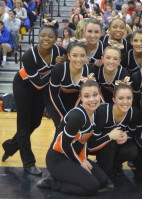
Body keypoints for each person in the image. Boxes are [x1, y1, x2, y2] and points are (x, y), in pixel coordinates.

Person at [1, 25, 67, 175]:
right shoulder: (29, 55)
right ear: (38, 37)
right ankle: (28, 163)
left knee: (36, 122)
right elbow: (38, 83)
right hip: (23, 86)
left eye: (50, 36)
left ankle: (11, 146)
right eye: (43, 35)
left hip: (41, 89)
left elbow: (68, 63)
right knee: (23, 124)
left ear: (56, 39)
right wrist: (56, 67)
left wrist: (64, 63)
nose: (46, 39)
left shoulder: (60, 52)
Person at [37, 80, 108, 195]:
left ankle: (68, 176)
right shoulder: (77, 116)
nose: (92, 99)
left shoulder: (95, 113)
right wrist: (80, 163)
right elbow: (65, 145)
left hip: (73, 155)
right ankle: (53, 182)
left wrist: (83, 158)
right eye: (87, 96)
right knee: (92, 186)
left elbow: (83, 141)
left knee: (102, 181)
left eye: (95, 95)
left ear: (100, 94)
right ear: (80, 98)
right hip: (58, 158)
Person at [88, 84, 139, 185]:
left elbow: (133, 133)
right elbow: (91, 145)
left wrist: (126, 135)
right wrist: (109, 137)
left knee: (132, 150)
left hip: (115, 146)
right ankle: (104, 170)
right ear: (114, 100)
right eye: (121, 98)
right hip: (98, 147)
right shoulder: (103, 111)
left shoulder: (133, 112)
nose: (125, 102)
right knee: (112, 141)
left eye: (129, 98)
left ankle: (115, 165)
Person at [47, 42, 94, 128]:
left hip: (76, 102)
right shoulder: (59, 70)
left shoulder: (89, 71)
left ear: (86, 56)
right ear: (69, 56)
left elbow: (84, 96)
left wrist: (73, 115)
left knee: (76, 126)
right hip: (57, 102)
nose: (79, 59)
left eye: (82, 56)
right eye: (75, 55)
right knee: (61, 127)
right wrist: (63, 116)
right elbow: (54, 95)